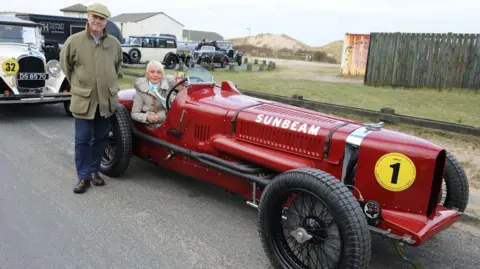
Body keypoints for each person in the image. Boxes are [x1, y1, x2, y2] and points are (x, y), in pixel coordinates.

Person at [59, 3, 123, 194]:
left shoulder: (114, 44)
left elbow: (117, 67)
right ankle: (83, 176)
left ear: (106, 22)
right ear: (87, 16)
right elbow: (66, 67)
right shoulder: (74, 41)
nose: (97, 21)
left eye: (101, 18)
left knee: (101, 138)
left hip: (106, 99)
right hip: (84, 99)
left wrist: (106, 84)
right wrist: (80, 85)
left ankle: (95, 171)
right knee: (83, 139)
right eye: (94, 16)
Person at [131, 61, 174, 130]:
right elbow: (134, 113)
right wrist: (147, 117)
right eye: (152, 72)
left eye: (158, 72)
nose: (155, 75)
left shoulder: (167, 86)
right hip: (153, 125)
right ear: (147, 74)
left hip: (169, 120)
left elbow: (175, 100)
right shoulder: (141, 90)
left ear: (162, 75)